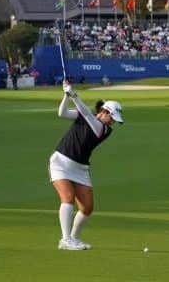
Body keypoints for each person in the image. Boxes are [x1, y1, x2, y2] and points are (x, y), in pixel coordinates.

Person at [48, 80, 124, 250]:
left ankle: (74, 238)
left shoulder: (103, 130)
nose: (113, 122)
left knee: (87, 207)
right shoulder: (88, 117)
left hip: (80, 168)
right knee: (67, 198)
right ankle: (65, 240)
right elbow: (62, 113)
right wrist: (66, 95)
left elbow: (87, 115)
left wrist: (73, 93)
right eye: (112, 118)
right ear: (104, 112)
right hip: (61, 162)